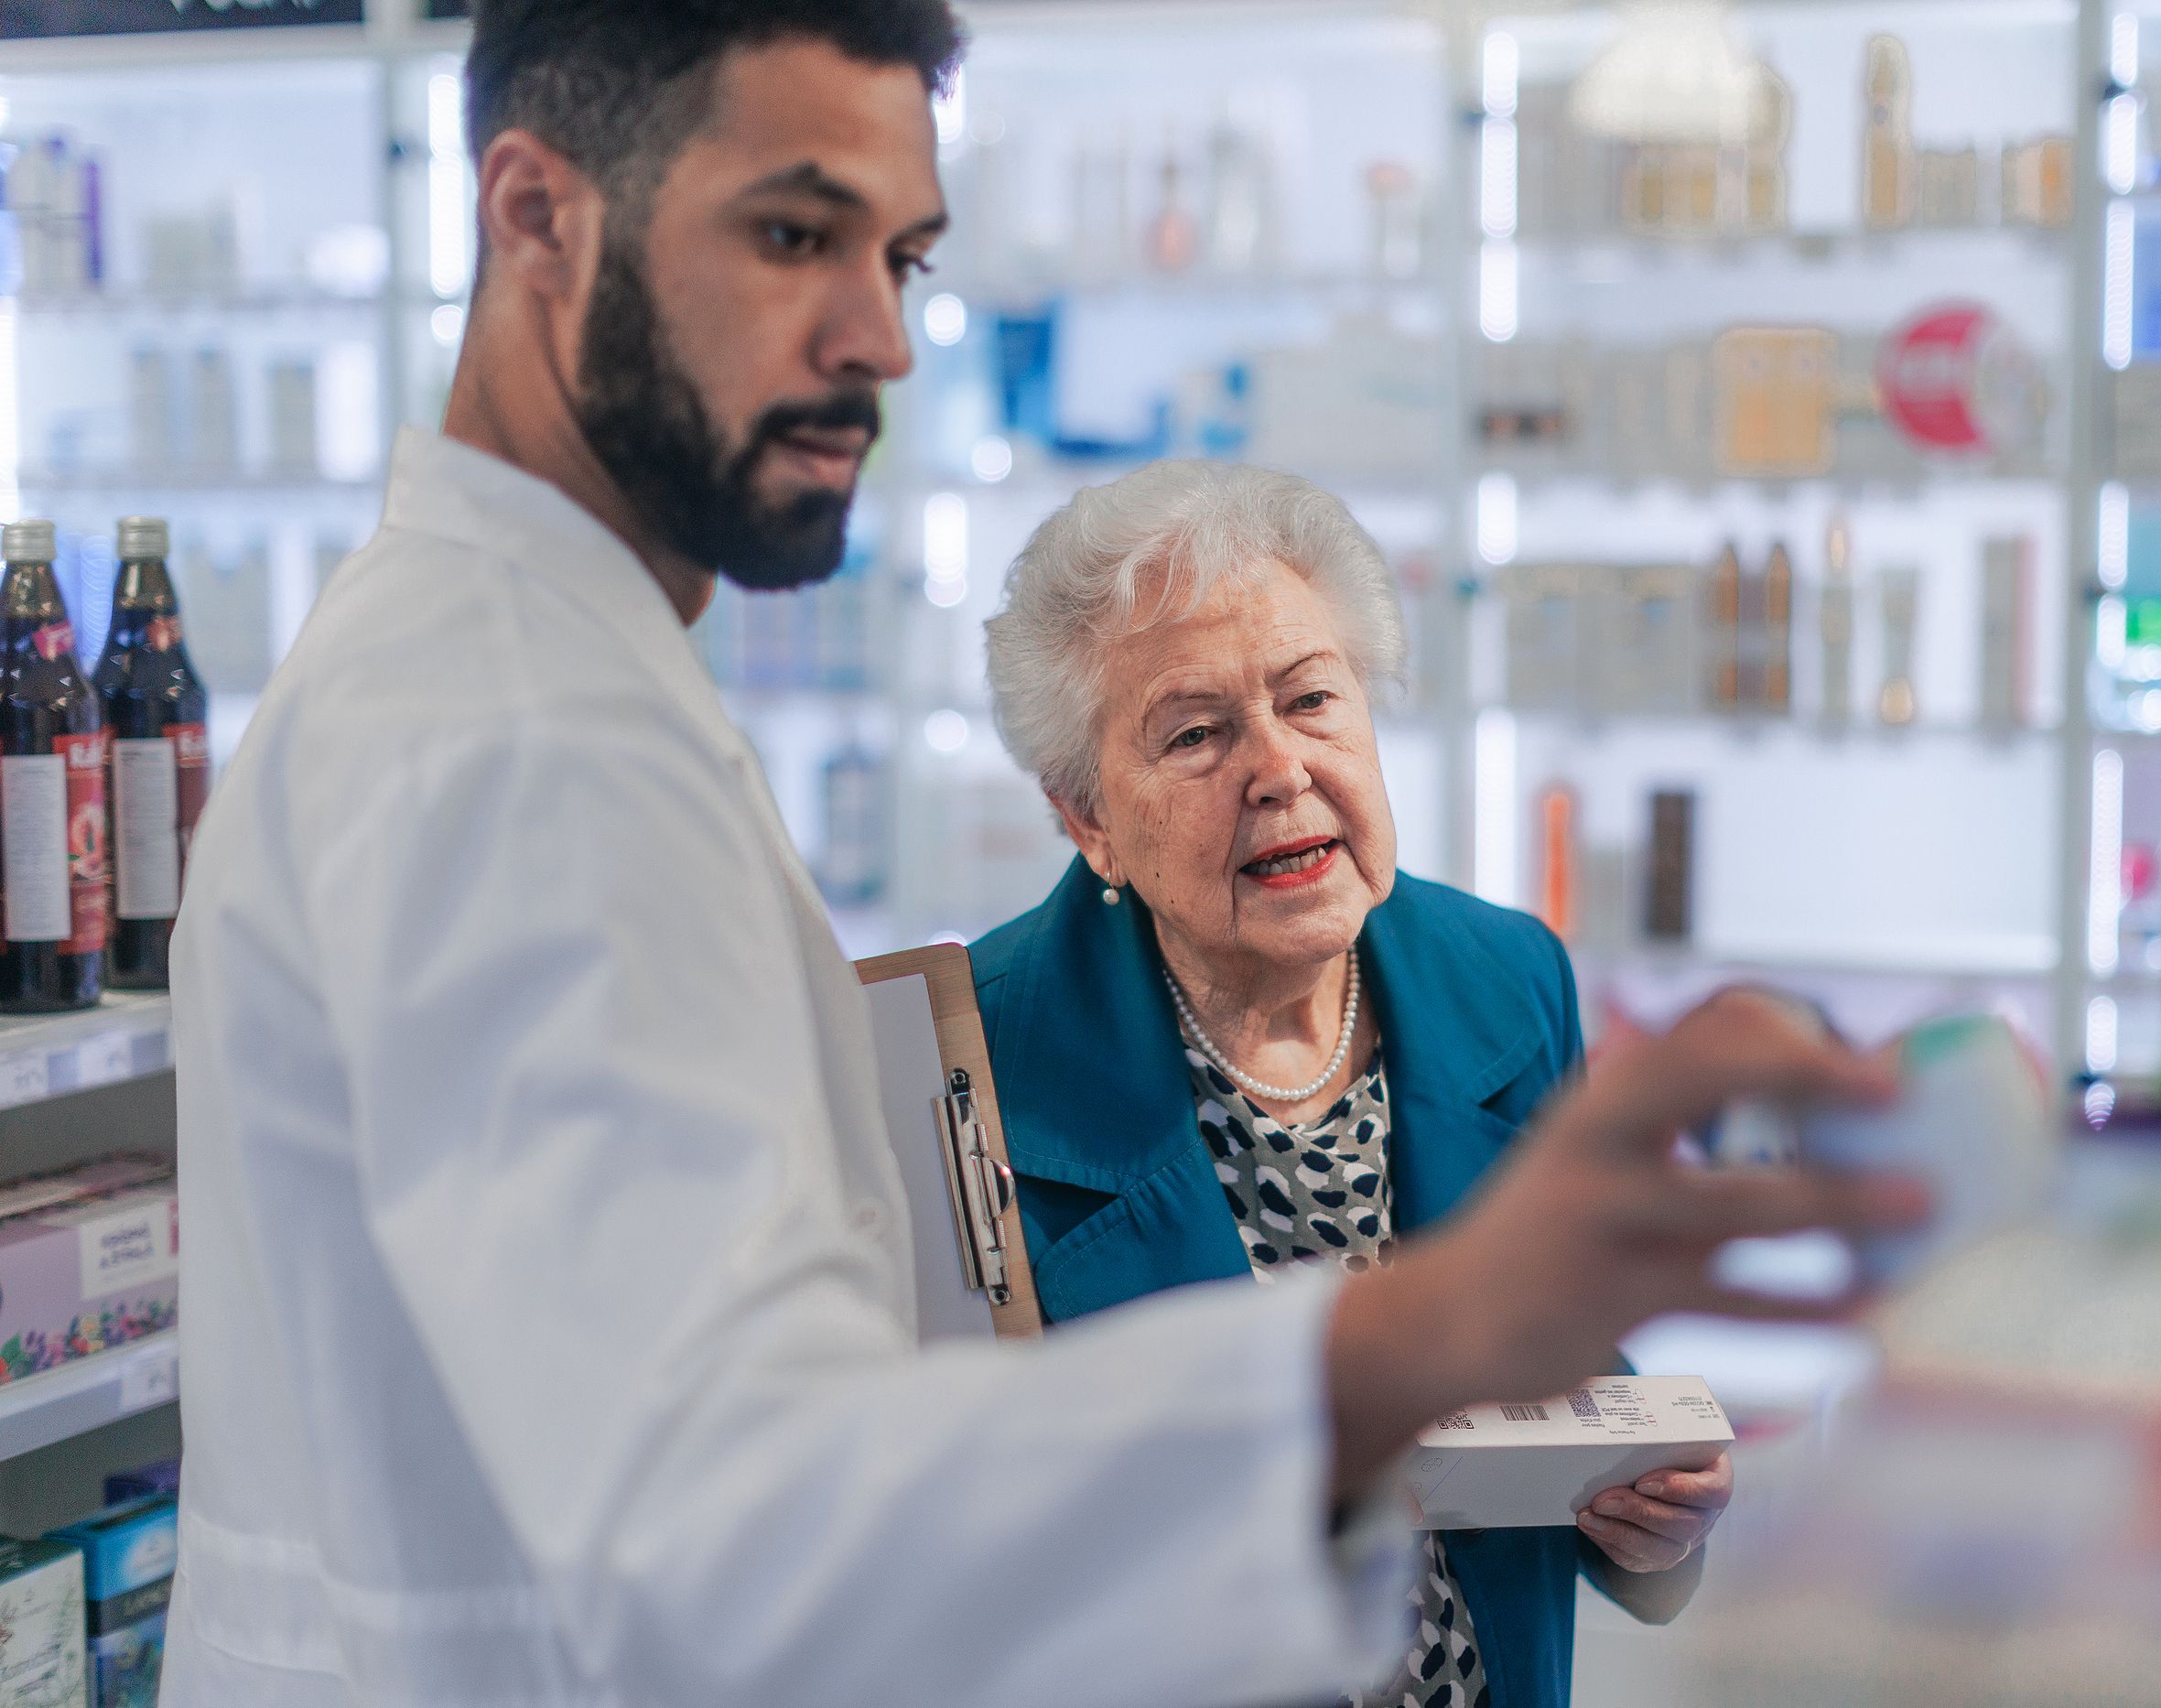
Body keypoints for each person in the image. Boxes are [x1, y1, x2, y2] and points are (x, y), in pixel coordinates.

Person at [162, 5, 1920, 1705]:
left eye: (903, 259)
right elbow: (732, 1533)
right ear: (539, 215)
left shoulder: (508, 669)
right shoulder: (520, 744)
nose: (880, 337)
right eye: (794, 234)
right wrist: (1416, 1338)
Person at [974, 461, 1719, 1708]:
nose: (1279, 767)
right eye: (1197, 732)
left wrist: (1654, 1518)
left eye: (1311, 698)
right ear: (1087, 818)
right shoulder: (976, 1060)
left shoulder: (1507, 979)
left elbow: (1562, 1353)